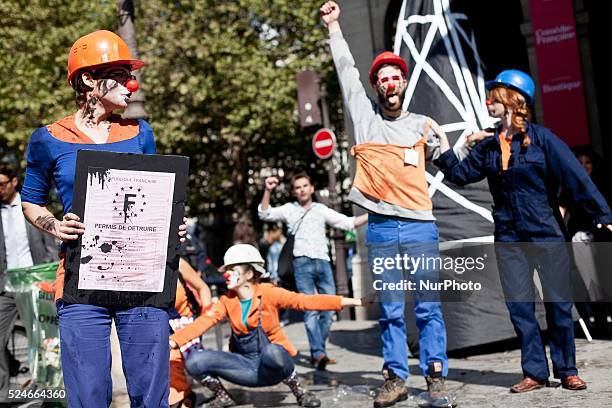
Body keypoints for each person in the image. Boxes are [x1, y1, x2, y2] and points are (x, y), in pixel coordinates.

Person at [20, 30, 186, 407]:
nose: (132, 83)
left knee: (150, 393)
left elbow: (157, 195)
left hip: (142, 279)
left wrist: (172, 222)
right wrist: (54, 224)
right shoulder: (47, 138)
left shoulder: (140, 132)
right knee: (89, 394)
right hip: (82, 281)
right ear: (89, 80)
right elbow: (31, 202)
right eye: (120, 72)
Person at [433, 69, 612, 392]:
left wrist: (602, 213)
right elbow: (459, 174)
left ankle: (566, 369)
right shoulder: (488, 147)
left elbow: (575, 177)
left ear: (515, 100)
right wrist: (446, 147)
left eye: (495, 95)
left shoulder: (543, 140)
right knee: (520, 306)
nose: (488, 101)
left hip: (546, 233)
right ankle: (535, 372)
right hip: (509, 237)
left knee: (558, 303)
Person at [320, 2, 456, 406]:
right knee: (392, 311)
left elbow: (450, 161)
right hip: (380, 228)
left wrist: (455, 144)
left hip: (418, 228)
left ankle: (435, 378)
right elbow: (345, 71)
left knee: (429, 309)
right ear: (376, 86)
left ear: (403, 83)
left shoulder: (422, 126)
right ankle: (395, 378)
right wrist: (334, 28)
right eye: (383, 78)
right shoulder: (364, 119)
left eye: (396, 77)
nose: (390, 83)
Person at [169, 244, 365, 408]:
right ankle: (223, 397)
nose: (226, 274)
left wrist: (354, 302)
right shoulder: (226, 301)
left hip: (272, 368)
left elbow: (306, 301)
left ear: (249, 273)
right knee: (195, 360)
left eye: (232, 269)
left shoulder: (268, 293)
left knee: (273, 351)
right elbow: (202, 323)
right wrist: (173, 341)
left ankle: (300, 392)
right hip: (244, 367)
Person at [258, 172, 367, 369]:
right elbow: (265, 214)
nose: (302, 190)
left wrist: (373, 215)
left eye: (305, 186)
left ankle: (318, 351)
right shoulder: (289, 210)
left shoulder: (320, 209)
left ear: (311, 188)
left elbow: (347, 223)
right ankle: (318, 354)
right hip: (301, 263)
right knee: (309, 309)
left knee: (331, 306)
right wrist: (268, 190)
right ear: (294, 191)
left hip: (323, 261)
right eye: (298, 187)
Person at [0, 165, 58, 401]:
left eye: (2, 184)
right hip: (5, 287)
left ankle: (48, 392)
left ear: (14, 182)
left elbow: (51, 245)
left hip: (36, 284)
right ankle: (3, 395)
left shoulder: (32, 207)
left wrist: (51, 278)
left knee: (45, 340)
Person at [169, 258, 213, 408]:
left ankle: (183, 398)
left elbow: (203, 288)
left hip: (186, 326)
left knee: (170, 358)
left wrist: (206, 316)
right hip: (160, 330)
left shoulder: (178, 263)